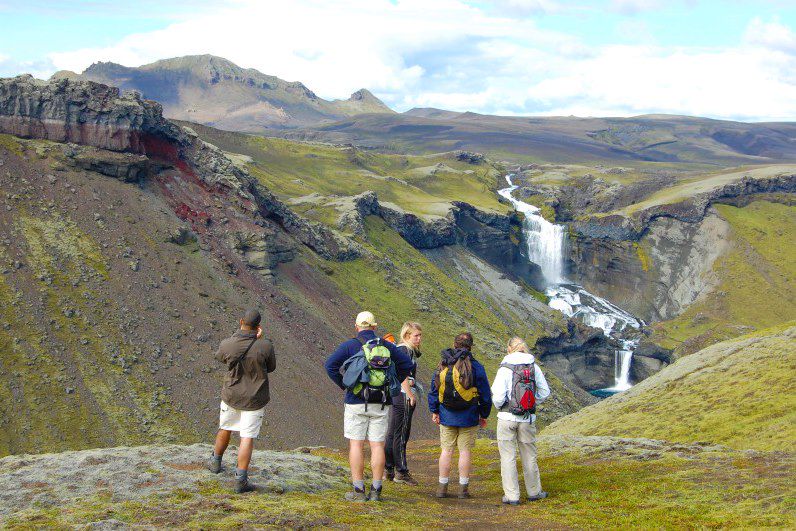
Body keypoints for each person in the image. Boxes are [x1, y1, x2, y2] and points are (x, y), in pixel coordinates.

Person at [325, 311, 414, 502]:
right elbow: (406, 364)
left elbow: (330, 365)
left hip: (356, 401)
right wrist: (393, 383)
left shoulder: (350, 345)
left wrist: (346, 385)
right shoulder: (386, 345)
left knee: (356, 444)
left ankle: (358, 491)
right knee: (377, 445)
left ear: (357, 327)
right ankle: (376, 491)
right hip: (381, 402)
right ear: (374, 327)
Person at [207, 309, 276, 494]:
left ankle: (215, 462)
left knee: (225, 427)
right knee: (247, 437)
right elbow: (271, 367)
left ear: (240, 321)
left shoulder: (228, 343)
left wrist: (238, 337)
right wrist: (259, 340)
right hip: (254, 398)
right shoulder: (265, 346)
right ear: (258, 327)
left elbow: (221, 357)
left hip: (231, 395)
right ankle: (240, 479)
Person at [428, 332, 492, 499]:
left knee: (446, 451)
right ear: (471, 346)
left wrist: (434, 410)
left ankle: (442, 488)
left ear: (454, 344)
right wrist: (483, 414)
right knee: (465, 452)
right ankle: (463, 490)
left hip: (446, 415)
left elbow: (434, 390)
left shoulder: (443, 364)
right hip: (469, 416)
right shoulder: (477, 366)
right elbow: (485, 394)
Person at [490, 337, 550, 505]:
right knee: (529, 455)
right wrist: (530, 403)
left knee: (507, 456)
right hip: (527, 418)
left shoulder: (505, 368)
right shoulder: (533, 367)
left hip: (506, 417)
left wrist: (502, 406)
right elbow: (545, 392)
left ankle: (512, 496)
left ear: (509, 349)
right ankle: (534, 491)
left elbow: (498, 395)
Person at [384, 322, 423, 486]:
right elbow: (403, 375)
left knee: (393, 432)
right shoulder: (405, 351)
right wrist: (409, 394)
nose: (419, 339)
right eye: (416, 336)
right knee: (402, 433)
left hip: (396, 395)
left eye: (420, 335)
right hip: (402, 395)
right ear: (407, 336)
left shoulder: (400, 350)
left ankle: (389, 468)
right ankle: (401, 471)